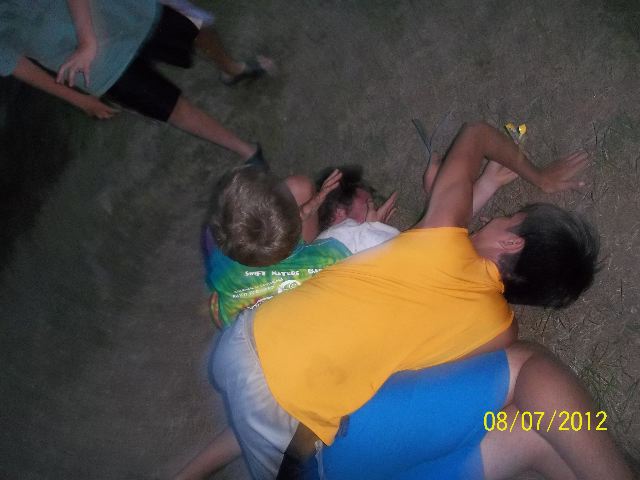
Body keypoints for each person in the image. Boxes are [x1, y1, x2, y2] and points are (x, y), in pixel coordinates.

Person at [208, 121, 625, 480]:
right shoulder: (502, 331)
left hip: (258, 353)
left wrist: (538, 175)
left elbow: (477, 133)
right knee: (523, 385)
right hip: (298, 444)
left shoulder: (444, 236)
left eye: (508, 218)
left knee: (529, 415)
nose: (493, 217)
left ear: (511, 241)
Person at [0, 0, 272, 161]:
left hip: (120, 11)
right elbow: (15, 64)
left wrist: (87, 40)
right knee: (172, 108)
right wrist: (80, 100)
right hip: (92, 67)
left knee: (197, 27)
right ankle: (247, 151)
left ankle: (231, 68)